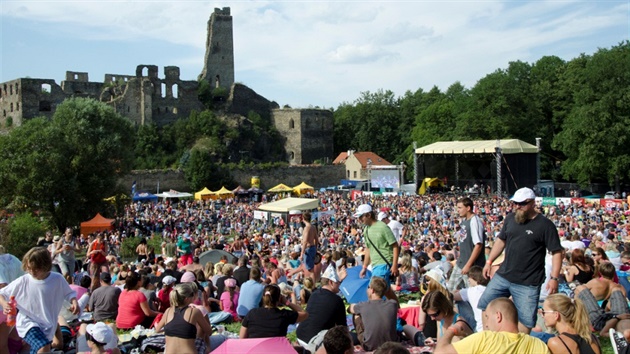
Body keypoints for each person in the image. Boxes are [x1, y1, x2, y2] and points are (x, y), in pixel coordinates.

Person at [479, 187, 563, 333]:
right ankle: (489, 340)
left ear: (532, 203)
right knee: (485, 304)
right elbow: (501, 240)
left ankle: (519, 347)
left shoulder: (544, 225)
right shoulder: (511, 218)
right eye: (515, 203)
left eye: (522, 203)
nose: (517, 206)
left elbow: (556, 252)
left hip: (528, 282)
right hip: (504, 274)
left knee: (526, 320)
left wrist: (554, 277)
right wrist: (489, 261)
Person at [0, 247, 79, 354]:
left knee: (38, 350)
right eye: (29, 268)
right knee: (44, 346)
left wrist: (74, 302)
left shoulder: (57, 279)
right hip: (27, 323)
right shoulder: (24, 280)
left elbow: (69, 293)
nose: (32, 272)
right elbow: (2, 293)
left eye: (35, 269)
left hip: (47, 324)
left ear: (45, 266)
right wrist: (4, 304)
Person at [434, 297, 550, 354]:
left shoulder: (485, 338)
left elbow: (440, 352)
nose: (487, 324)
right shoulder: (538, 345)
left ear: (498, 316)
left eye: (487, 317)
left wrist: (453, 329)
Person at [296, 264, 347, 353]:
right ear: (331, 282)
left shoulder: (314, 294)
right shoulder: (337, 301)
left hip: (300, 335)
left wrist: (339, 279)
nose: (339, 284)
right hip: (314, 342)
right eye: (338, 282)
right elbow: (342, 328)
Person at [355, 204, 400, 302]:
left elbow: (395, 246)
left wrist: (394, 265)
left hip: (384, 263)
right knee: (387, 292)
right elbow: (368, 249)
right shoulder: (366, 229)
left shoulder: (382, 227)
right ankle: (398, 313)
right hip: (376, 264)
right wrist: (364, 267)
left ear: (368, 215)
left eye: (361, 217)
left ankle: (378, 314)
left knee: (373, 291)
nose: (359, 219)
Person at [154, 283, 215, 354]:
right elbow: (209, 332)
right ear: (187, 299)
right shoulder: (194, 311)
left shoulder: (168, 311)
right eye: (192, 294)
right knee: (222, 339)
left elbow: (157, 330)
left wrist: (173, 329)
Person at [239, 283, 308, 338]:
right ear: (279, 299)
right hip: (277, 350)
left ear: (263, 297)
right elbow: (305, 314)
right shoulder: (284, 315)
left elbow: (242, 338)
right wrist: (287, 302)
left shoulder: (252, 313)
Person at [349, 277, 399, 351]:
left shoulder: (363, 305)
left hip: (369, 346)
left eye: (368, 287)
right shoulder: (393, 304)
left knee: (356, 314)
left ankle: (364, 336)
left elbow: (351, 309)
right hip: (391, 344)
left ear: (372, 290)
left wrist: (353, 305)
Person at [448, 197, 486, 291]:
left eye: (460, 208)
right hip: (461, 262)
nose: (458, 210)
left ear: (468, 208)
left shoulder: (475, 221)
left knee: (472, 293)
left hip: (471, 266)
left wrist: (468, 265)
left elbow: (478, 245)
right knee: (450, 290)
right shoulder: (465, 221)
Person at [453, 265, 488, 332]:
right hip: (490, 325)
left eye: (469, 277)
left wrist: (457, 291)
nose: (468, 280)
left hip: (479, 328)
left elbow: (453, 296)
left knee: (460, 302)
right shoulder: (490, 289)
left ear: (472, 277)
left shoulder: (471, 291)